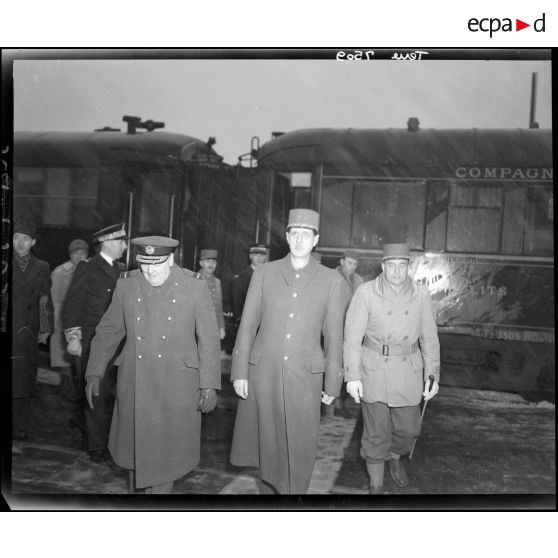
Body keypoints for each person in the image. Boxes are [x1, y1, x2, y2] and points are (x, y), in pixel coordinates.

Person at [84, 236, 221, 494]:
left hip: (178, 384)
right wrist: (94, 371)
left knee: (166, 457)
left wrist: (209, 384)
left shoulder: (194, 286)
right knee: (137, 454)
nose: (149, 271)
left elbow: (209, 340)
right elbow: (109, 331)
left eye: (156, 265)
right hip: (136, 381)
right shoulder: (127, 285)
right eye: (144, 265)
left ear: (170, 259)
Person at [230, 209, 350, 494]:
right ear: (286, 237)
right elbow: (247, 324)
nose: (299, 239)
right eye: (294, 233)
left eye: (306, 234)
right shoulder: (265, 273)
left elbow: (334, 336)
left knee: (298, 449)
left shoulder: (331, 281)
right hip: (264, 374)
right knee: (266, 448)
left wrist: (333, 382)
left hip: (304, 379)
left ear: (315, 239)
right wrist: (239, 372)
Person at [344, 243, 440, 494]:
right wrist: (352, 376)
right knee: (375, 432)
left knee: (409, 430)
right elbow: (352, 338)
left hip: (408, 370)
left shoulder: (420, 294)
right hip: (374, 369)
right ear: (383, 266)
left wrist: (432, 375)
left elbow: (429, 338)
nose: (397, 271)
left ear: (409, 267)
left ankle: (396, 456)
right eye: (391, 265)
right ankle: (375, 484)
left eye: (402, 265)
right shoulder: (366, 293)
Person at [62, 223, 127, 462]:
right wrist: (74, 339)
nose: (124, 246)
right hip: (92, 342)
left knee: (117, 394)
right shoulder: (87, 268)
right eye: (121, 241)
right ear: (108, 243)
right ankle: (96, 446)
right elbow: (72, 305)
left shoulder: (122, 269)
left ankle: (113, 442)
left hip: (119, 342)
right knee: (94, 394)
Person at [11, 219, 54, 442]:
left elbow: (45, 299)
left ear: (33, 242)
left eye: (25, 239)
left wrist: (45, 328)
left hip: (27, 331)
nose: (20, 243)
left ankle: (19, 425)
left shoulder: (42, 267)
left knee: (23, 379)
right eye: (16, 237)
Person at [50, 239, 89, 398]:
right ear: (70, 254)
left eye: (83, 252)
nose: (79, 255)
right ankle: (68, 396)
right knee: (66, 363)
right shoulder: (60, 272)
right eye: (76, 252)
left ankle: (78, 396)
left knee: (81, 363)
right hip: (64, 323)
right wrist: (57, 324)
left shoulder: (92, 270)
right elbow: (54, 301)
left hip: (85, 323)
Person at [329, 249, 365, 419]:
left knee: (347, 366)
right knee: (334, 366)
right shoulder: (330, 277)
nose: (352, 267)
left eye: (355, 264)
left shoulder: (359, 280)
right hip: (333, 329)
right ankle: (336, 403)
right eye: (349, 262)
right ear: (342, 261)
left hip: (352, 331)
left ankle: (339, 401)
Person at [231, 243, 269, 325]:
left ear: (265, 257)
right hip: (247, 322)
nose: (259, 258)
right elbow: (237, 303)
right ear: (250, 256)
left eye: (262, 255)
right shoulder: (241, 277)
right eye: (256, 254)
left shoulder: (270, 276)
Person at [196, 249, 225, 341]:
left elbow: (219, 307)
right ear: (201, 263)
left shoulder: (217, 282)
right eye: (207, 261)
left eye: (214, 261)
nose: (211, 264)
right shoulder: (194, 280)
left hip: (213, 329)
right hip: (196, 329)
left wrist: (221, 327)